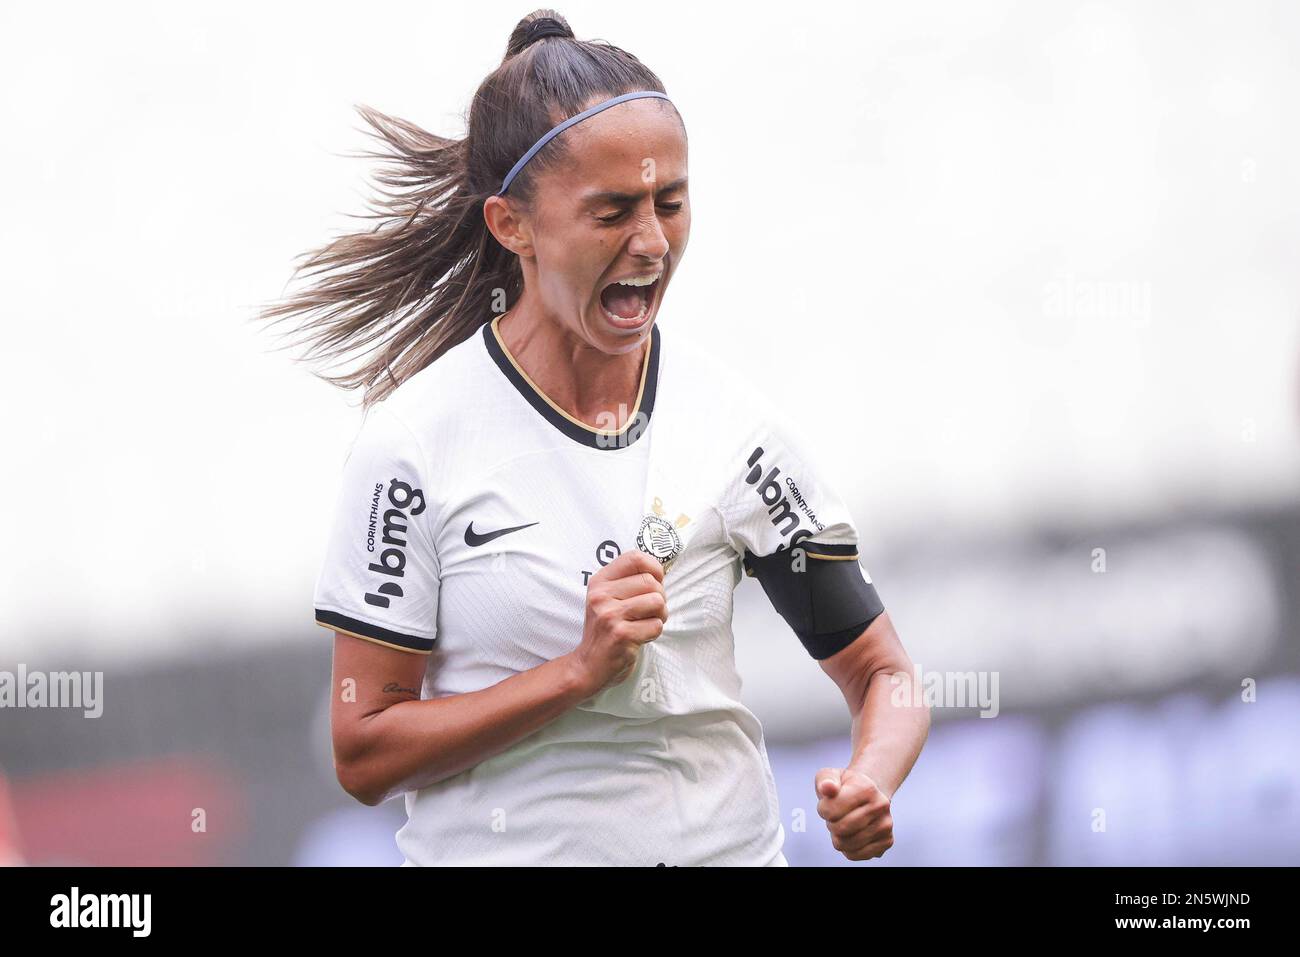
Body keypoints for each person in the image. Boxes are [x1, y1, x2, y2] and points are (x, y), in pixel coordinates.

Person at [261, 9, 929, 866]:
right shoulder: (413, 450)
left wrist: (872, 776)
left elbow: (885, 674)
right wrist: (576, 672)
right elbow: (364, 749)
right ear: (513, 227)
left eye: (671, 203)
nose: (651, 243)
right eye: (612, 212)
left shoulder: (734, 429)